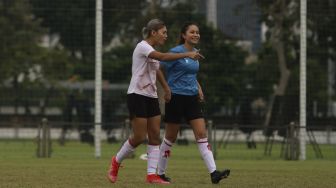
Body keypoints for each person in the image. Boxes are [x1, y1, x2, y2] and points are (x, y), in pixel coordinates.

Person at [107, 19, 204, 184]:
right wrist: (188, 54)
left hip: (151, 96)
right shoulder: (143, 46)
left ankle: (151, 175)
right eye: (163, 32)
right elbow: (163, 57)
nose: (166, 36)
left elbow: (157, 68)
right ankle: (116, 161)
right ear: (153, 32)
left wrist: (166, 88)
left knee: (154, 135)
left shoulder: (152, 49)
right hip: (137, 95)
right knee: (138, 137)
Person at [157, 22, 230, 184]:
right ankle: (160, 173)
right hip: (175, 98)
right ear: (184, 35)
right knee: (170, 137)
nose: (196, 35)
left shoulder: (196, 53)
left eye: (197, 32)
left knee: (202, 135)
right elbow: (158, 68)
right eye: (192, 32)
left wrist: (199, 88)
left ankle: (214, 173)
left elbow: (190, 74)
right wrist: (166, 89)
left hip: (191, 99)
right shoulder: (175, 52)